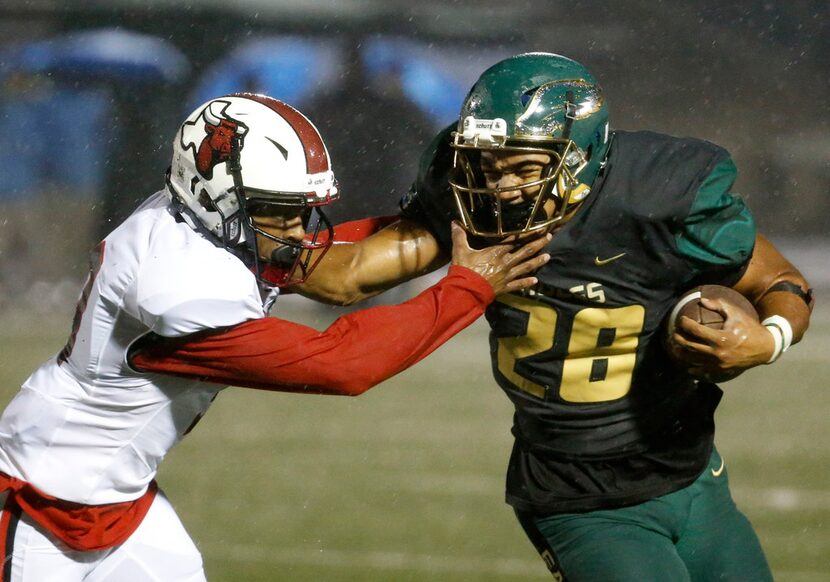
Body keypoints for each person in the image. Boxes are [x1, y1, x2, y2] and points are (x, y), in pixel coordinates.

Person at [293, 53, 815, 581]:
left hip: (694, 473)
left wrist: (768, 339)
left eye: (524, 168)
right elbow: (349, 275)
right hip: (578, 497)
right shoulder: (471, 212)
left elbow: (781, 283)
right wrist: (249, 239)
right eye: (489, 167)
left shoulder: (656, 192)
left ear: (580, 159)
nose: (502, 189)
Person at [0, 93, 550, 581]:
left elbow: (346, 271)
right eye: (281, 214)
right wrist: (466, 289)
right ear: (217, 196)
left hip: (120, 502)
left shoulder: (203, 221)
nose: (298, 231)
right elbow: (340, 364)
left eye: (302, 212)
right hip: (40, 503)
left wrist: (455, 229)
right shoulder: (176, 283)